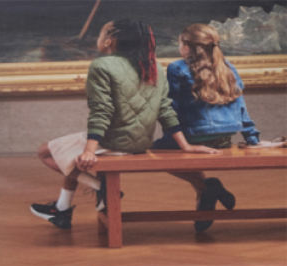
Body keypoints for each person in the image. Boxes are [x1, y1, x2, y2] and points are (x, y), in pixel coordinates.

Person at [30, 19, 219, 229]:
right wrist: (186, 146)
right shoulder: (153, 65)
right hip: (140, 142)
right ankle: (62, 209)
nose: (98, 39)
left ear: (110, 41)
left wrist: (89, 151)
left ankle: (101, 187)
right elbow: (165, 109)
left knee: (46, 152)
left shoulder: (101, 65)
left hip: (113, 143)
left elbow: (101, 111)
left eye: (101, 34)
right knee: (67, 150)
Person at [154, 23, 263, 233]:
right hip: (224, 138)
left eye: (180, 42)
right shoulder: (228, 66)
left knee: (157, 153)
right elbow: (240, 104)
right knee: (177, 150)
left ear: (186, 46)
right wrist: (252, 138)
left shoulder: (177, 67)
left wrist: (177, 140)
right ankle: (205, 192)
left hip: (195, 135)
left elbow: (171, 107)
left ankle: (207, 187)